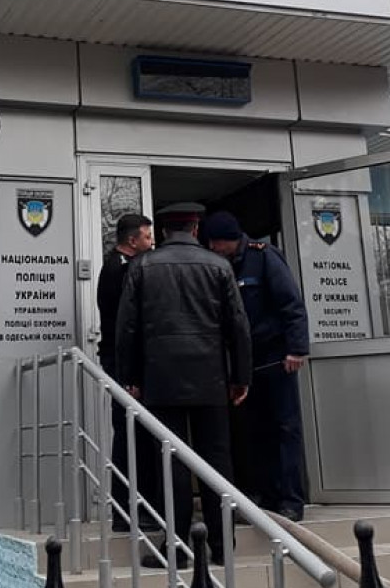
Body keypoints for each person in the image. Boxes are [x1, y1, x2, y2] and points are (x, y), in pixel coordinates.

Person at [116, 202, 251, 567]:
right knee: (216, 462)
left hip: (161, 379)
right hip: (211, 378)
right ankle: (222, 546)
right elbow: (238, 326)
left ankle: (176, 548)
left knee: (170, 462)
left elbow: (127, 327)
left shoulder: (142, 266)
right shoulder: (219, 265)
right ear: (195, 230)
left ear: (163, 232)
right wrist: (240, 377)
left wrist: (130, 378)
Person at [202, 210, 310, 522]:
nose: (212, 248)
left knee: (284, 428)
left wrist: (297, 349)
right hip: (245, 363)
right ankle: (264, 496)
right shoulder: (221, 265)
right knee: (254, 431)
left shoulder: (264, 257)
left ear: (227, 240)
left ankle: (291, 500)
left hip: (276, 359)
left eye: (215, 243)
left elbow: (291, 304)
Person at [96, 212, 156, 532]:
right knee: (131, 436)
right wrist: (131, 375)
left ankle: (136, 508)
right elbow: (127, 324)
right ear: (132, 241)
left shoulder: (122, 265)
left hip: (125, 362)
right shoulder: (121, 270)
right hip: (124, 363)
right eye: (147, 237)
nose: (152, 242)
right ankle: (127, 510)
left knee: (137, 435)